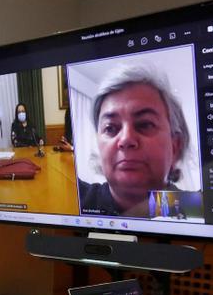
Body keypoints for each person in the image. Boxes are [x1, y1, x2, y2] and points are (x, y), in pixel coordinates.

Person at [77, 65, 190, 217]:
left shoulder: (197, 209)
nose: (126, 139)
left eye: (145, 124)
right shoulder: (74, 198)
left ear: (175, 146)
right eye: (110, 128)